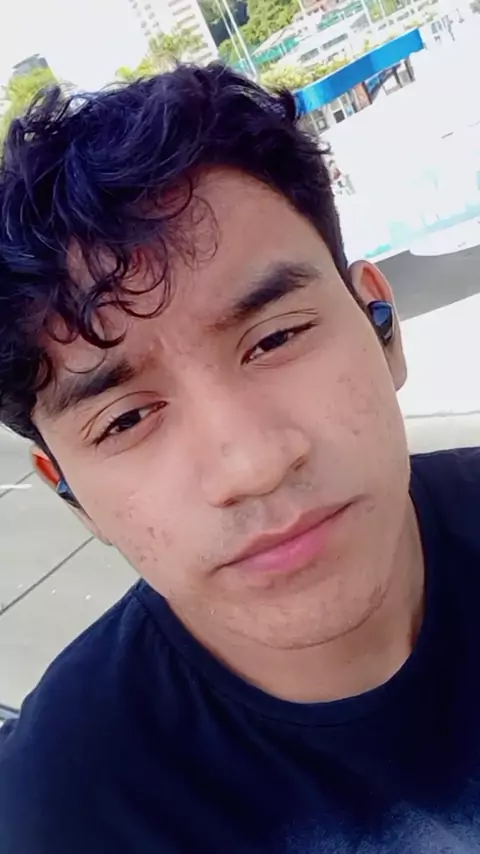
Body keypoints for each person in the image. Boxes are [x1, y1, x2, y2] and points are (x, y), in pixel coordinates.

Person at [0, 64, 479, 853]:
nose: (252, 465)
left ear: (381, 322)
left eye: (276, 338)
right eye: (126, 419)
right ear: (68, 491)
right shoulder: (68, 811)